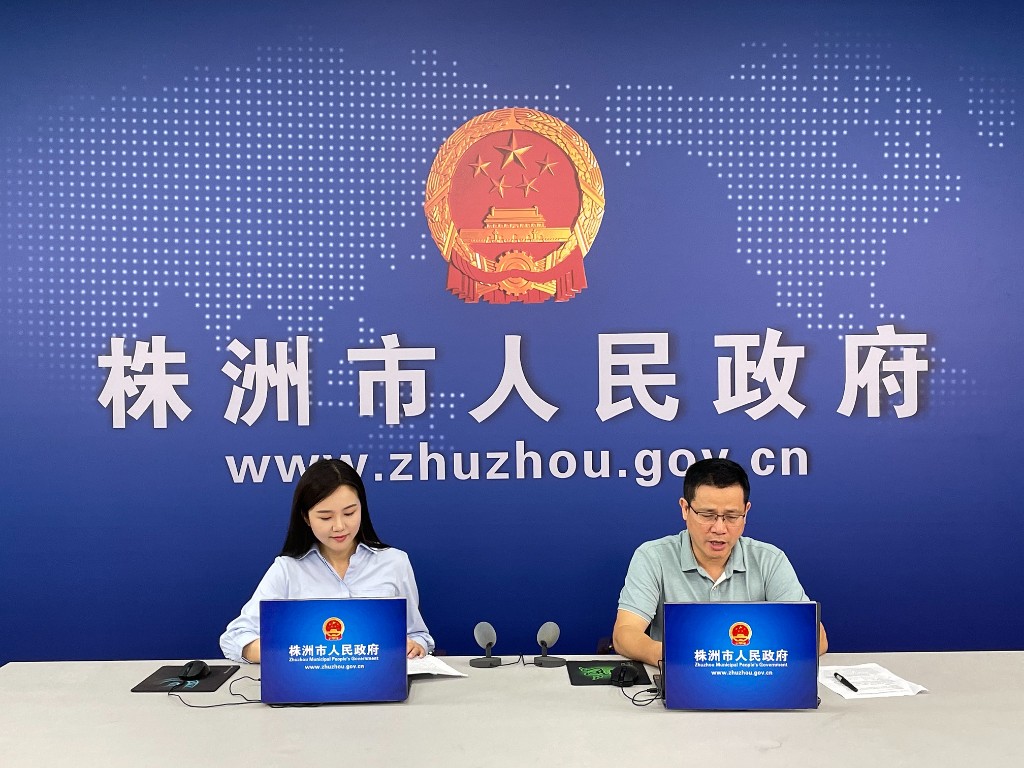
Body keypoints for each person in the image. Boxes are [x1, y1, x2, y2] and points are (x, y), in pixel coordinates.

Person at [612, 458, 828, 666]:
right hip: (679, 677)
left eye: (732, 516)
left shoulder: (769, 560)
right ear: (685, 509)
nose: (719, 528)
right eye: (707, 515)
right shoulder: (653, 557)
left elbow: (816, 637)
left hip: (752, 676)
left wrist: (745, 660)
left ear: (746, 512)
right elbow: (625, 633)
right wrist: (675, 658)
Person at [220, 458, 434, 663]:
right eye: (325, 517)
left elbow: (418, 635)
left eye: (349, 513)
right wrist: (292, 652)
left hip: (382, 683)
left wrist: (417, 647)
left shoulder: (395, 562)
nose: (339, 526)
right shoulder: (287, 569)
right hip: (308, 683)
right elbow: (234, 638)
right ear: (306, 517)